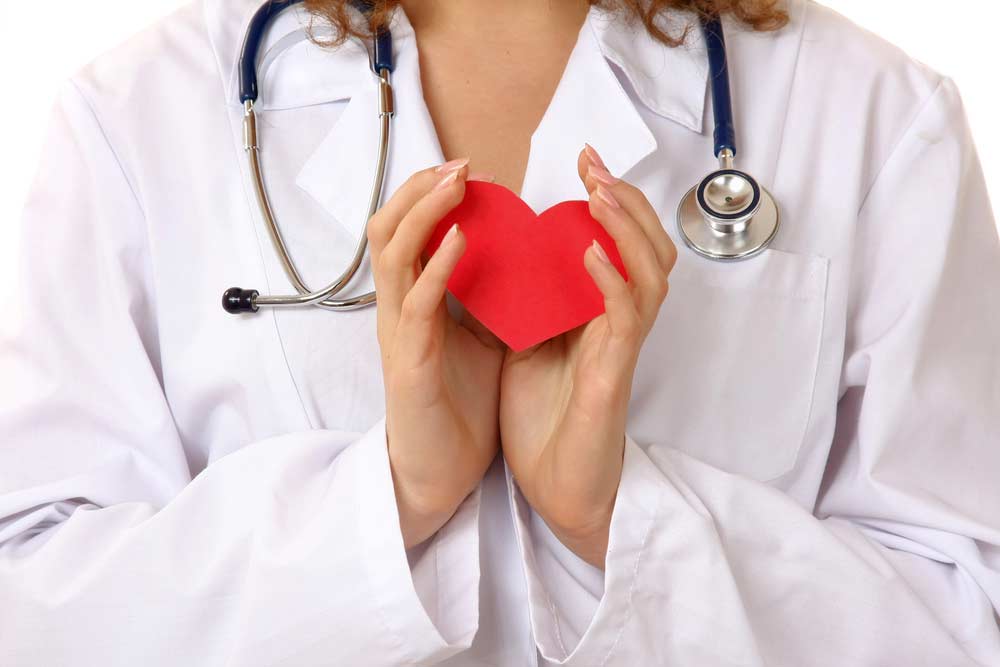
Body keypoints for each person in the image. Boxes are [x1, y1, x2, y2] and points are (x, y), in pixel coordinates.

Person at [1, 0, 998, 664]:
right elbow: (37, 605)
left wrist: (613, 520)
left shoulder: (875, 118)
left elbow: (963, 619)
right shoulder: (139, 118)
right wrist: (390, 500)